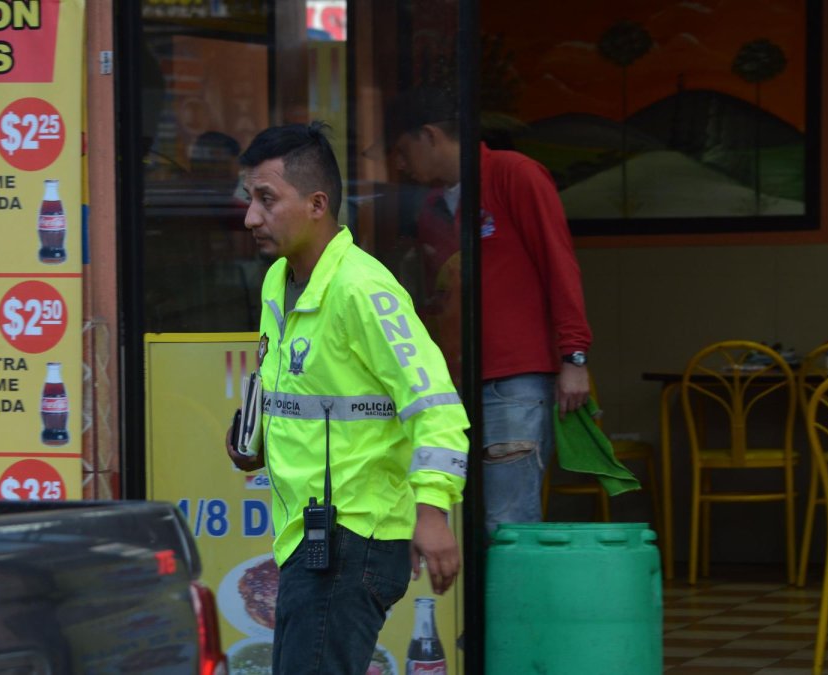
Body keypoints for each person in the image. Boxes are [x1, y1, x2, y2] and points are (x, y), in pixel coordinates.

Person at [224, 122, 469, 675]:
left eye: (267, 199)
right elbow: (295, 387)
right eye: (249, 199)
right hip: (304, 538)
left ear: (316, 204)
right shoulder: (279, 280)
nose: (251, 217)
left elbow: (436, 408)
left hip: (354, 536)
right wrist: (253, 438)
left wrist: (432, 511)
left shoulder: (363, 289)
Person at [385, 88, 592, 535]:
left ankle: (516, 608)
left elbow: (560, 264)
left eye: (403, 151)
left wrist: (574, 357)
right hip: (449, 384)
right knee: (456, 518)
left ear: (429, 136)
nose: (399, 166)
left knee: (508, 522)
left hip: (514, 380)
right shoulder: (429, 209)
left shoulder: (514, 174)